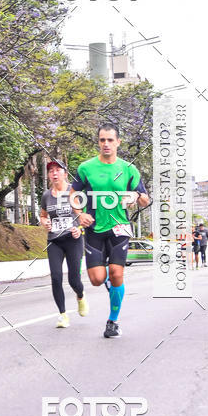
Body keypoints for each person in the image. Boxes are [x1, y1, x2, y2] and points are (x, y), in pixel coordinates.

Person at [70, 123, 150, 338]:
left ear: (118, 142)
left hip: (120, 227)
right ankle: (109, 283)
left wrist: (135, 196)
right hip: (95, 229)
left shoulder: (128, 169)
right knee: (97, 279)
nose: (106, 144)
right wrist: (80, 213)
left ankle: (113, 321)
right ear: (98, 142)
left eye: (110, 140)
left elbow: (145, 199)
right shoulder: (86, 168)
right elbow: (72, 194)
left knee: (117, 273)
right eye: (102, 140)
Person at [40, 160, 87, 328]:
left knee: (74, 280)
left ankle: (80, 296)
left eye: (57, 170)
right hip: (55, 241)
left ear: (65, 174)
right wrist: (45, 222)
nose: (54, 173)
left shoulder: (74, 193)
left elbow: (85, 217)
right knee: (56, 277)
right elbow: (43, 215)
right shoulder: (46, 195)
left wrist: (79, 228)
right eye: (51, 171)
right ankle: (63, 315)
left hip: (73, 240)